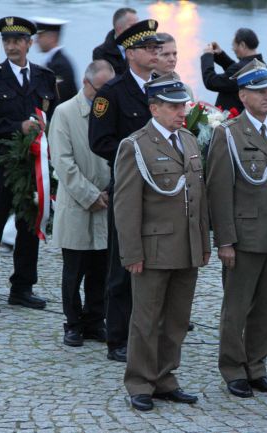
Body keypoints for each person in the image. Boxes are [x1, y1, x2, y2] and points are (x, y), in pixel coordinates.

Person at [205, 59, 267, 399]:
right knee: (237, 306)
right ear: (243, 96)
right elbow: (219, 191)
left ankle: (257, 366)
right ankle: (233, 368)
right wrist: (225, 241)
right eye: (260, 91)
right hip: (244, 237)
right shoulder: (227, 135)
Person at [114, 74, 210, 411]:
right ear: (153, 107)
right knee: (146, 319)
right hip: (153, 250)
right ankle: (140, 382)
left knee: (177, 319)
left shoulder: (189, 140)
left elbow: (199, 197)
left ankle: (166, 378)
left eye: (182, 104)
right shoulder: (135, 145)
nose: (180, 110)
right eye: (172, 106)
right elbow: (126, 206)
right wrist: (132, 253)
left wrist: (203, 242)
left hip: (186, 247)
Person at [88, 19, 163, 362]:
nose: (155, 52)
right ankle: (117, 338)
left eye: (157, 47)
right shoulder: (112, 93)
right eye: (149, 48)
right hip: (130, 186)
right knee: (124, 262)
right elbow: (100, 142)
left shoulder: (166, 88)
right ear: (130, 53)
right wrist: (138, 151)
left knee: (160, 260)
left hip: (165, 188)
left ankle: (150, 331)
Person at [0, 16, 57, 313]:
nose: (11, 46)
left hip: (33, 164)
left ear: (29, 43)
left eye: (17, 41)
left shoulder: (45, 77)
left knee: (29, 226)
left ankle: (22, 287)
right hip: (1, 161)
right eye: (6, 41)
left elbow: (53, 117)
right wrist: (16, 127)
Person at [49, 60, 115, 347]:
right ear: (87, 83)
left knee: (101, 269)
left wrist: (111, 192)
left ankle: (94, 319)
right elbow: (62, 162)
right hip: (77, 203)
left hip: (107, 200)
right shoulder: (64, 113)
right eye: (102, 88)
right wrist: (90, 195)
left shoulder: (111, 111)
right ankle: (73, 322)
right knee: (74, 269)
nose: (106, 94)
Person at [201, 28, 263, 113]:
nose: (233, 49)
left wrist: (207, 56)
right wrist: (220, 55)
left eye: (234, 46)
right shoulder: (260, 65)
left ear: (242, 45)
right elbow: (234, 75)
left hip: (232, 121)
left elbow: (211, 81)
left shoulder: (240, 69)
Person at [34, 17, 78, 105]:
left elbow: (59, 98)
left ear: (52, 38)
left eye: (40, 36)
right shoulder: (53, 61)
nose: (36, 41)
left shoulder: (60, 65)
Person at [92, 7, 138, 76]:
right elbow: (106, 81)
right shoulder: (101, 53)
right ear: (119, 27)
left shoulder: (142, 47)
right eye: (133, 26)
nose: (138, 29)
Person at [155, 33, 195, 101]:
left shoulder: (185, 90)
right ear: (152, 56)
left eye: (174, 54)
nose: (172, 59)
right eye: (165, 54)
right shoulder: (142, 87)